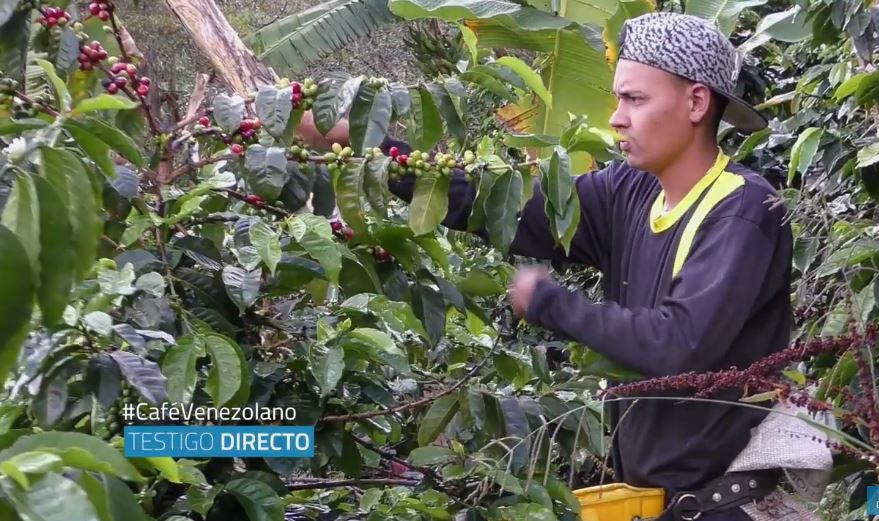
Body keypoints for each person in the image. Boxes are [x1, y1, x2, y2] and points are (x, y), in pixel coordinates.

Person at [298, 12, 794, 521]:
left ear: (695, 102)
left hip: (728, 506)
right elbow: (505, 209)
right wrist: (369, 146)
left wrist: (551, 302)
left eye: (636, 99)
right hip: (654, 506)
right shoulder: (629, 191)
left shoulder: (742, 212)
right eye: (619, 98)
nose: (617, 117)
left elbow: (679, 346)